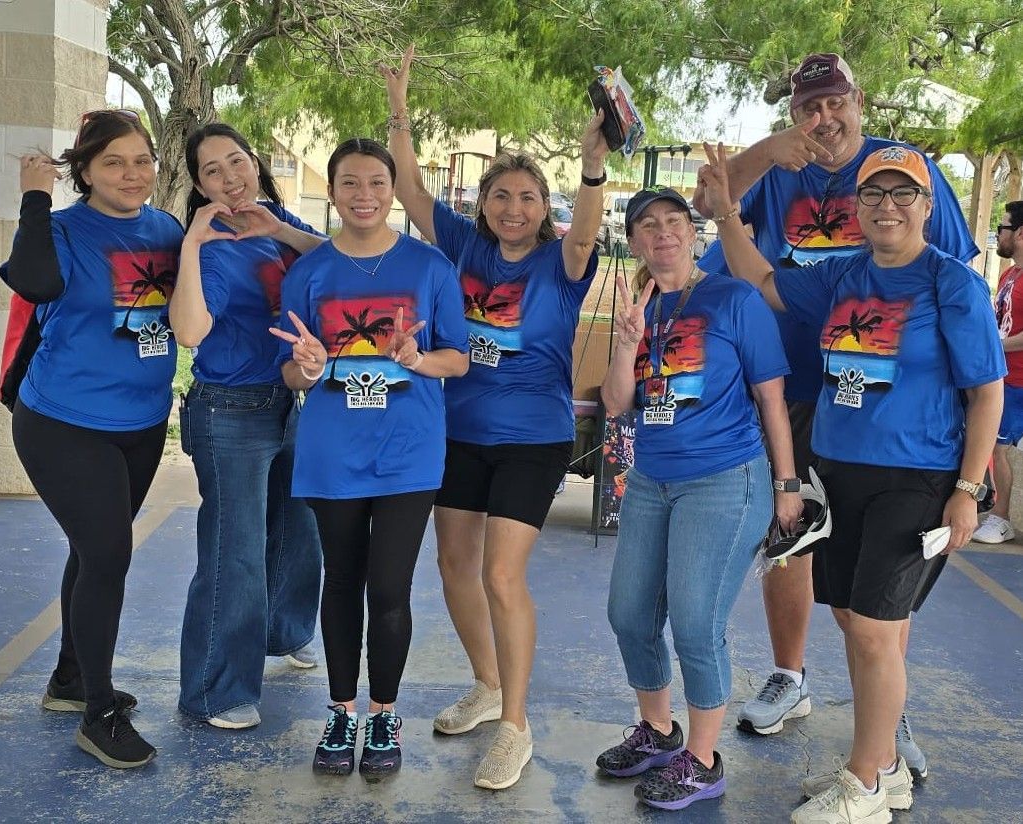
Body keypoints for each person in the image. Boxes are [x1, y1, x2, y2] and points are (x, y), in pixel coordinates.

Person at [701, 142, 1003, 823]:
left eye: (902, 195)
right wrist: (725, 217)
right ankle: (886, 768)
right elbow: (765, 280)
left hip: (917, 474)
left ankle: (864, 779)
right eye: (873, 195)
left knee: (873, 626)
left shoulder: (950, 283)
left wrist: (966, 489)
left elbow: (987, 392)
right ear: (856, 208)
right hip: (838, 472)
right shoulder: (843, 276)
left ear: (927, 207)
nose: (887, 207)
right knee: (852, 618)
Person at [380, 46, 609, 790]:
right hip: (457, 433)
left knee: (502, 577)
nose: (514, 209)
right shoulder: (465, 246)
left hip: (532, 441)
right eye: (502, 197)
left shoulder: (562, 266)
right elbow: (410, 191)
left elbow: (585, 233)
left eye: (528, 199)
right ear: (485, 205)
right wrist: (400, 110)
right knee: (453, 568)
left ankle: (515, 724)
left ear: (545, 210)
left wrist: (592, 168)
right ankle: (485, 684)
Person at [595, 186, 799, 811]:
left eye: (673, 222)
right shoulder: (640, 307)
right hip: (653, 480)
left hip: (724, 481)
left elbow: (771, 399)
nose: (662, 233)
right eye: (647, 225)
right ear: (633, 240)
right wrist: (628, 341)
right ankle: (657, 730)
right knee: (629, 613)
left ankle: (704, 760)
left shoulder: (733, 299)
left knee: (694, 620)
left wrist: (786, 486)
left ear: (693, 233)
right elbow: (616, 404)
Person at [270, 138, 469, 776]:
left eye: (377, 183)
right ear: (331, 192)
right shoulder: (309, 273)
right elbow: (293, 371)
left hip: (408, 454)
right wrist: (304, 369)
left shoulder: (430, 267)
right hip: (333, 454)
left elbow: (457, 358)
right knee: (341, 582)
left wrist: (416, 359)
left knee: (389, 588)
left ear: (392, 190)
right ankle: (341, 710)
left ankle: (383, 713)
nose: (364, 196)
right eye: (350, 184)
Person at [0, 111, 184, 768]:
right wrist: (34, 196)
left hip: (140, 424)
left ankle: (69, 679)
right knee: (108, 554)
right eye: (113, 163)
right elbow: (36, 283)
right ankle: (97, 713)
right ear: (84, 171)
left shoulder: (166, 229)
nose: (131, 174)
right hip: (62, 423)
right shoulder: (61, 229)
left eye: (141, 160)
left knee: (92, 548)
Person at [170, 123, 326, 730]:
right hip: (230, 412)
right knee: (234, 555)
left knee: (299, 528)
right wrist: (190, 247)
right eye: (213, 170)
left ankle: (280, 632)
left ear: (255, 163)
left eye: (237, 161)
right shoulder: (207, 245)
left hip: (288, 399)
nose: (231, 177)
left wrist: (279, 228)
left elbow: (341, 256)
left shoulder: (275, 222)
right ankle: (217, 689)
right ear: (200, 185)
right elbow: (189, 331)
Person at [973, 200, 1023, 544]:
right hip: (1005, 377)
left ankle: (1002, 516)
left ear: (1020, 233)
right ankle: (999, 515)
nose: (999, 234)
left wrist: (992, 349)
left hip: (1019, 378)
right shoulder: (1009, 275)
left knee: (1001, 448)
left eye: (1003, 228)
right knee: (997, 446)